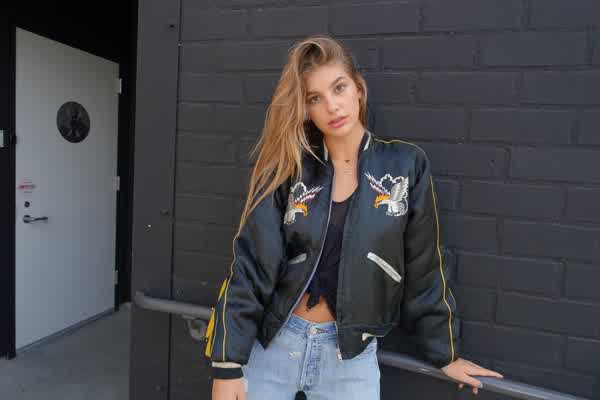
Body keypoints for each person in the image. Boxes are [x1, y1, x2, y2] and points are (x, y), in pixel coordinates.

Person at [204, 34, 503, 400]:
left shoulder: (405, 165)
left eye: (339, 87)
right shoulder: (291, 168)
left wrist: (446, 353)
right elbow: (251, 264)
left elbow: (425, 265)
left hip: (350, 360)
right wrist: (227, 363)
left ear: (358, 90)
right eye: (315, 98)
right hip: (274, 347)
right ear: (306, 109)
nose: (332, 106)